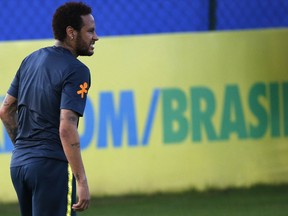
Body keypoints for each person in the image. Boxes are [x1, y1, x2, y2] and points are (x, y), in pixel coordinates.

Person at [0, 2, 98, 215]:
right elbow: (66, 127)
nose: (96, 37)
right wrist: (81, 180)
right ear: (71, 33)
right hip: (50, 166)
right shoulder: (77, 70)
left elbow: (5, 110)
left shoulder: (30, 60)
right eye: (90, 31)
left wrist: (27, 149)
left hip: (19, 165)